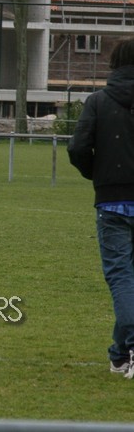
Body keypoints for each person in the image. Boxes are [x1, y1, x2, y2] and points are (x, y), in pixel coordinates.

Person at [68, 36, 134, 378]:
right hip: (114, 196)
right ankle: (120, 354)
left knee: (122, 277)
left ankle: (129, 347)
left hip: (113, 202)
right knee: (128, 280)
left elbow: (78, 148)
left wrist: (98, 175)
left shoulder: (98, 101)